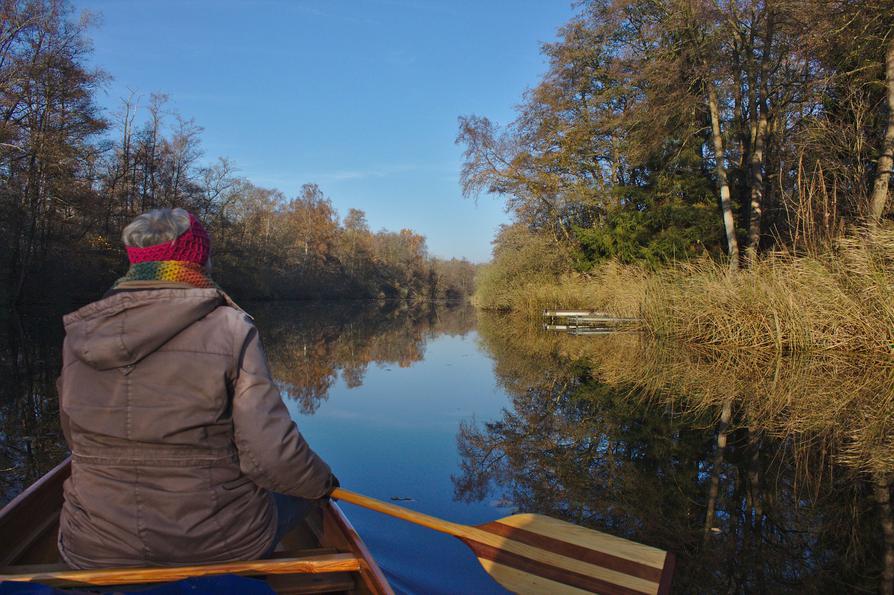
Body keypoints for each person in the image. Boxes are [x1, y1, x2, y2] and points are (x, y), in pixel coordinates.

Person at [56, 207, 337, 568]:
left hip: (93, 546)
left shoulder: (79, 332)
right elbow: (272, 456)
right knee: (302, 495)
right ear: (198, 259)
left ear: (135, 260)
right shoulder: (231, 328)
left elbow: (73, 436)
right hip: (218, 544)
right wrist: (323, 484)